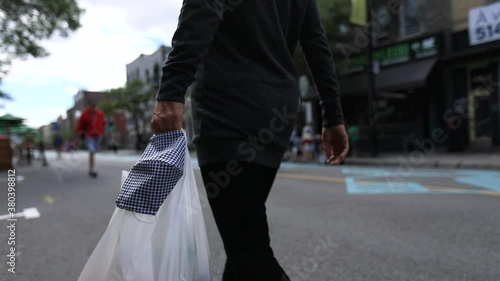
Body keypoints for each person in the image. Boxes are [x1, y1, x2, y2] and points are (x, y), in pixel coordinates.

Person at [150, 1, 349, 280]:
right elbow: (316, 42)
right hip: (277, 110)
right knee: (242, 244)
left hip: (230, 107)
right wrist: (333, 115)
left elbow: (202, 9)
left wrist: (171, 89)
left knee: (249, 250)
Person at [77, 100, 105, 177]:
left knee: (94, 150)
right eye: (91, 106)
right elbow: (80, 125)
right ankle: (92, 169)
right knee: (91, 150)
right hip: (88, 135)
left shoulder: (100, 114)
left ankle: (92, 167)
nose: (92, 107)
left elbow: (103, 123)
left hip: (98, 135)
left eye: (94, 106)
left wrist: (102, 131)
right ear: (89, 106)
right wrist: (80, 133)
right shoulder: (84, 114)